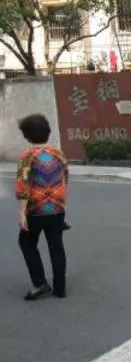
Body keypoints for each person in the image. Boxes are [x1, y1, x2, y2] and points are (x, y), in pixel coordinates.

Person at [16, 114, 69, 301]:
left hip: (36, 210)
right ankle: (60, 288)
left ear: (27, 135)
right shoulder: (58, 153)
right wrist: (62, 206)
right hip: (57, 208)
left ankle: (40, 283)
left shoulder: (27, 157)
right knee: (56, 246)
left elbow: (23, 186)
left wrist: (22, 213)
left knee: (26, 243)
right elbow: (64, 180)